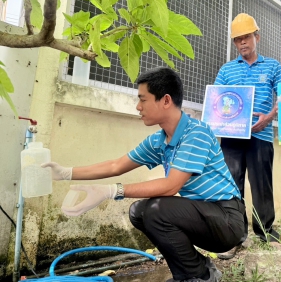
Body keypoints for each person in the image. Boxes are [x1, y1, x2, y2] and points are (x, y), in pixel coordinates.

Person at [42, 67, 245, 282]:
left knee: (157, 210)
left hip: (228, 220)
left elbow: (171, 186)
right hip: (203, 217)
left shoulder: (197, 133)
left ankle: (199, 276)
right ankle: (197, 270)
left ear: (165, 100)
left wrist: (112, 191)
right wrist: (66, 173)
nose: (138, 107)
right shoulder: (159, 141)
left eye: (143, 99)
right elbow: (116, 165)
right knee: (139, 212)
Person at [214, 13, 281, 259]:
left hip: (262, 136)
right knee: (232, 186)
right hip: (232, 139)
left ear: (257, 36)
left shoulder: (273, 67)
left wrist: (269, 117)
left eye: (246, 37)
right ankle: (234, 237)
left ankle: (266, 232)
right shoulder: (226, 71)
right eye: (237, 40)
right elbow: (216, 103)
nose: (242, 43)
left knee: (262, 186)